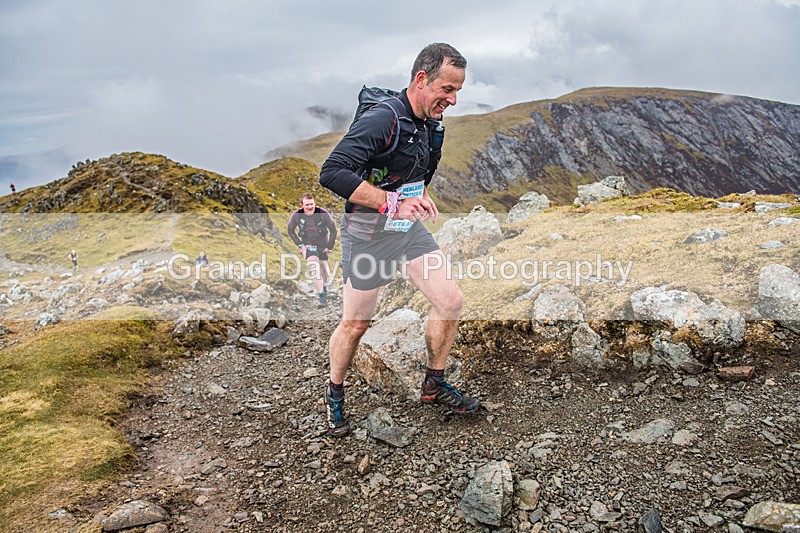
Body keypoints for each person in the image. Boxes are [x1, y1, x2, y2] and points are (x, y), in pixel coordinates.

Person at [318, 43, 479, 437]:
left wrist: (418, 196)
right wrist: (391, 201)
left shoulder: (430, 124)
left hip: (405, 230)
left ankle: (434, 384)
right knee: (356, 324)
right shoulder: (383, 118)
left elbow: (413, 173)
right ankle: (334, 391)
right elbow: (332, 171)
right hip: (367, 236)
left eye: (458, 90)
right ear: (422, 79)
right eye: (447, 89)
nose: (453, 100)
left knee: (450, 300)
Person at [287, 193, 337, 306]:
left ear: (315, 203)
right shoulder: (297, 215)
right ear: (301, 205)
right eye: (307, 205)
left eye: (312, 204)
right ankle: (322, 297)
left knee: (324, 271)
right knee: (314, 268)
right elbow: (290, 230)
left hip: (323, 245)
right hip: (308, 245)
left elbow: (333, 230)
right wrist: (300, 245)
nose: (310, 207)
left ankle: (324, 288)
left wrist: (330, 246)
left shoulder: (323, 213)